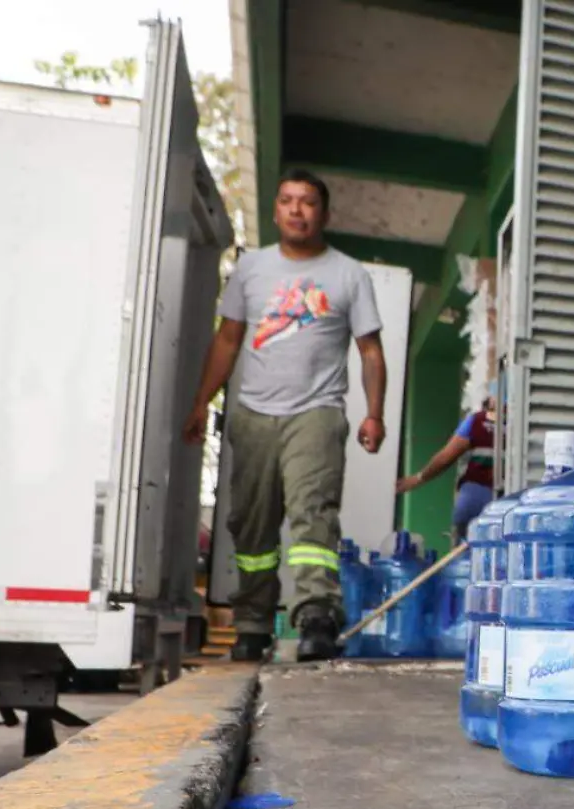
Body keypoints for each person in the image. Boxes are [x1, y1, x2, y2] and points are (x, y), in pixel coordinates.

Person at [183, 169, 387, 663]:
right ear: (275, 211)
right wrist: (200, 403)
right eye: (288, 201)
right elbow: (228, 339)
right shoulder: (251, 270)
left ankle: (316, 615)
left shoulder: (348, 275)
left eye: (308, 202)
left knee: (312, 516)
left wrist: (374, 414)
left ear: (324, 214)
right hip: (252, 412)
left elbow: (371, 351)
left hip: (316, 412)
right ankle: (252, 622)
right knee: (250, 527)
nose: (297, 210)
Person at [395, 397, 497, 540]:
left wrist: (418, 478)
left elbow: (445, 457)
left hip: (474, 498)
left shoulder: (477, 421)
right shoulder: (520, 426)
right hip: (505, 503)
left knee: (464, 552)